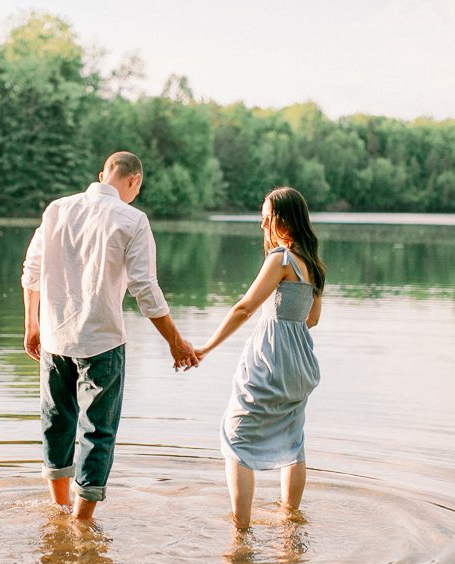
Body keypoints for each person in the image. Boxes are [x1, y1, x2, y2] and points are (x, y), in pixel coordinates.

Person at [21, 151, 199, 521]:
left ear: (103, 174)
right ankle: (81, 523)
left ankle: (59, 509)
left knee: (56, 422)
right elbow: (144, 288)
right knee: (97, 432)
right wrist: (175, 342)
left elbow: (31, 270)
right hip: (101, 341)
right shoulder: (133, 220)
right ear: (134, 181)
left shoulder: (57, 209)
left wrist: (32, 324)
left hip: (55, 337)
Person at [195, 187, 325, 529]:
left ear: (282, 220)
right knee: (293, 440)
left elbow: (244, 307)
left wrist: (206, 347)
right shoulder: (313, 265)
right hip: (301, 364)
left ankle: (240, 531)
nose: (262, 224)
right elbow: (312, 320)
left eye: (266, 217)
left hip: (271, 360)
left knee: (236, 437)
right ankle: (290, 524)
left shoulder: (280, 260)